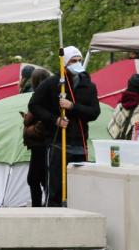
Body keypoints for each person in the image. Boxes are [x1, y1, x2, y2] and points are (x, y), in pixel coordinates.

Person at [27, 46, 100, 206]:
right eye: (73, 61)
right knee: (55, 189)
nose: (77, 63)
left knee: (79, 189)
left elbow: (94, 112)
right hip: (57, 144)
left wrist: (72, 107)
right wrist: (55, 120)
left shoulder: (89, 86)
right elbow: (34, 105)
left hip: (80, 145)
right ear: (65, 63)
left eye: (79, 60)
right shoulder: (52, 83)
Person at [21, 68, 52, 207]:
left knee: (35, 179)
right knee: (41, 179)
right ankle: (43, 206)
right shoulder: (47, 96)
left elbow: (43, 125)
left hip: (40, 145)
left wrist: (28, 131)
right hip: (41, 146)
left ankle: (39, 208)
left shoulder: (42, 98)